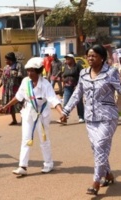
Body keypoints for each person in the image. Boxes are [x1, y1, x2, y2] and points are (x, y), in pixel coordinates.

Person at [60, 44, 120, 196]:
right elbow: (77, 93)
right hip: (91, 118)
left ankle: (96, 181)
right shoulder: (84, 74)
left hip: (108, 117)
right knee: (96, 148)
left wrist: (118, 108)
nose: (90, 58)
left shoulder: (111, 72)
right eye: (89, 56)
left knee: (100, 145)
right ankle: (107, 173)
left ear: (102, 58)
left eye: (94, 56)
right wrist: (66, 111)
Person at [0, 57, 64, 176]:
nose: (29, 73)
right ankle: (22, 166)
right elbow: (18, 97)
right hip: (28, 113)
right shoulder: (25, 82)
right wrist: (5, 106)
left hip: (42, 114)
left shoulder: (45, 84)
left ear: (38, 71)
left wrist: (61, 113)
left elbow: (53, 99)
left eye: (32, 71)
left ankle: (48, 163)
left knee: (44, 139)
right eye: (28, 70)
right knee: (26, 139)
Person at [0, 52, 26, 125]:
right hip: (7, 89)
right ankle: (14, 120)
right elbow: (3, 78)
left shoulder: (18, 65)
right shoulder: (6, 67)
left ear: (11, 60)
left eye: (6, 60)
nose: (5, 61)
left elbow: (22, 76)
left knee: (20, 103)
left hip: (16, 87)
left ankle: (24, 119)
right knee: (10, 104)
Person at [60, 53, 84, 123]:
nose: (66, 60)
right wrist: (63, 84)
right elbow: (63, 76)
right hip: (67, 87)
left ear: (72, 59)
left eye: (68, 59)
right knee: (66, 102)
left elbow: (82, 75)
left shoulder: (78, 66)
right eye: (66, 59)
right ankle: (64, 117)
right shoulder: (65, 66)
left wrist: (79, 84)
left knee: (79, 102)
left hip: (76, 87)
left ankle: (81, 116)